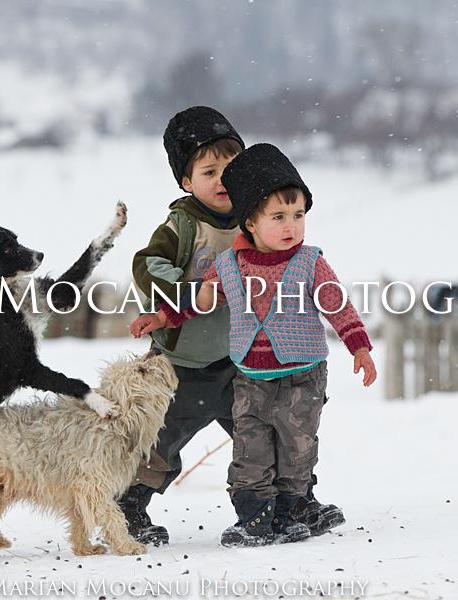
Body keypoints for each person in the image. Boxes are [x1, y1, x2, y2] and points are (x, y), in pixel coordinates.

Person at [131, 143, 377, 547]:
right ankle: (256, 516)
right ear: (251, 223)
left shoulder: (310, 261)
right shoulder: (229, 264)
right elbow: (202, 299)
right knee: (251, 450)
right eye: (278, 217)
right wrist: (161, 318)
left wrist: (359, 347)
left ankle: (293, 507)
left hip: (302, 376)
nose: (290, 226)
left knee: (296, 446)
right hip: (249, 375)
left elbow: (337, 304)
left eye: (298, 216)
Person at [118, 106, 244, 545]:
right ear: (187, 183)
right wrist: (192, 292)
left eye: (232, 167)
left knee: (261, 436)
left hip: (242, 360)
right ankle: (127, 510)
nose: (224, 178)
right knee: (157, 442)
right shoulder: (183, 225)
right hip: (180, 363)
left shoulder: (261, 220)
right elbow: (146, 266)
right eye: (210, 171)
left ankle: (280, 502)